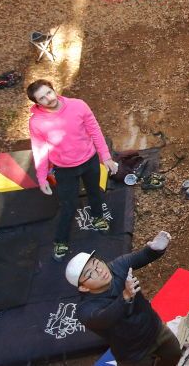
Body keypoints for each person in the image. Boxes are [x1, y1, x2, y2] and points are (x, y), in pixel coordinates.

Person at [26, 79, 119, 261]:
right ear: (37, 103)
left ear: (54, 90)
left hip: (89, 160)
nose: (48, 99)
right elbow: (40, 150)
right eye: (42, 98)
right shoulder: (36, 123)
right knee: (68, 204)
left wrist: (106, 157)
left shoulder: (78, 105)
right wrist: (42, 177)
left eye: (49, 93)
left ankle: (97, 217)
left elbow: (95, 131)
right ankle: (61, 240)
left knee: (95, 193)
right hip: (64, 168)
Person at [64, 231, 181, 366]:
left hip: (156, 330)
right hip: (133, 353)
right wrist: (125, 296)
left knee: (174, 355)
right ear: (84, 288)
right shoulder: (85, 310)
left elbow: (142, 256)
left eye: (97, 263)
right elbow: (105, 318)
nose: (100, 270)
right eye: (91, 273)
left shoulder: (117, 267)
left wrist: (155, 249)